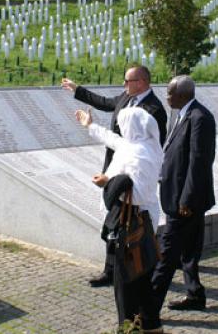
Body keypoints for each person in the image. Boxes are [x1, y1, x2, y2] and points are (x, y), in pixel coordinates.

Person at [62, 65, 167, 287]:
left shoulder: (154, 111)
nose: (123, 85)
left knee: (133, 234)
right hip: (117, 174)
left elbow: (146, 162)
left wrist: (112, 181)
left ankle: (135, 272)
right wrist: (79, 95)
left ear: (141, 82)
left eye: (127, 81)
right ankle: (112, 271)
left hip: (134, 187)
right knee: (113, 226)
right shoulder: (127, 104)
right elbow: (110, 121)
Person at [74, 106, 163, 333]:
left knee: (125, 284)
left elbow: (138, 193)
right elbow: (113, 139)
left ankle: (127, 328)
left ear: (131, 127)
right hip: (143, 221)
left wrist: (108, 183)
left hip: (131, 223)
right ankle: (152, 325)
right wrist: (90, 126)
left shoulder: (139, 155)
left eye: (124, 124)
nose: (121, 129)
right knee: (142, 277)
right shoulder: (146, 145)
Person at [151, 75, 215, 312]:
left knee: (166, 256)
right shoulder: (180, 115)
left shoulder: (200, 118)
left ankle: (148, 311)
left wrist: (186, 199)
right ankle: (195, 295)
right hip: (177, 196)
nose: (166, 97)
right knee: (189, 251)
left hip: (185, 200)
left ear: (182, 94)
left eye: (169, 93)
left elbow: (199, 162)